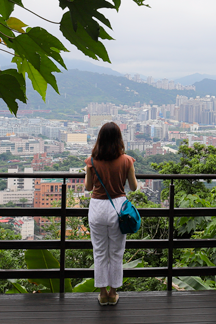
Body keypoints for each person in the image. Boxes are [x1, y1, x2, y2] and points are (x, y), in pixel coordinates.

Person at [84, 122, 138, 306]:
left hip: (98, 207)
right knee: (116, 253)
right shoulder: (127, 160)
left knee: (99, 252)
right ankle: (113, 294)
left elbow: (88, 187)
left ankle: (102, 294)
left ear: (99, 139)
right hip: (118, 208)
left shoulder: (91, 161)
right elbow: (133, 187)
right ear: (119, 139)